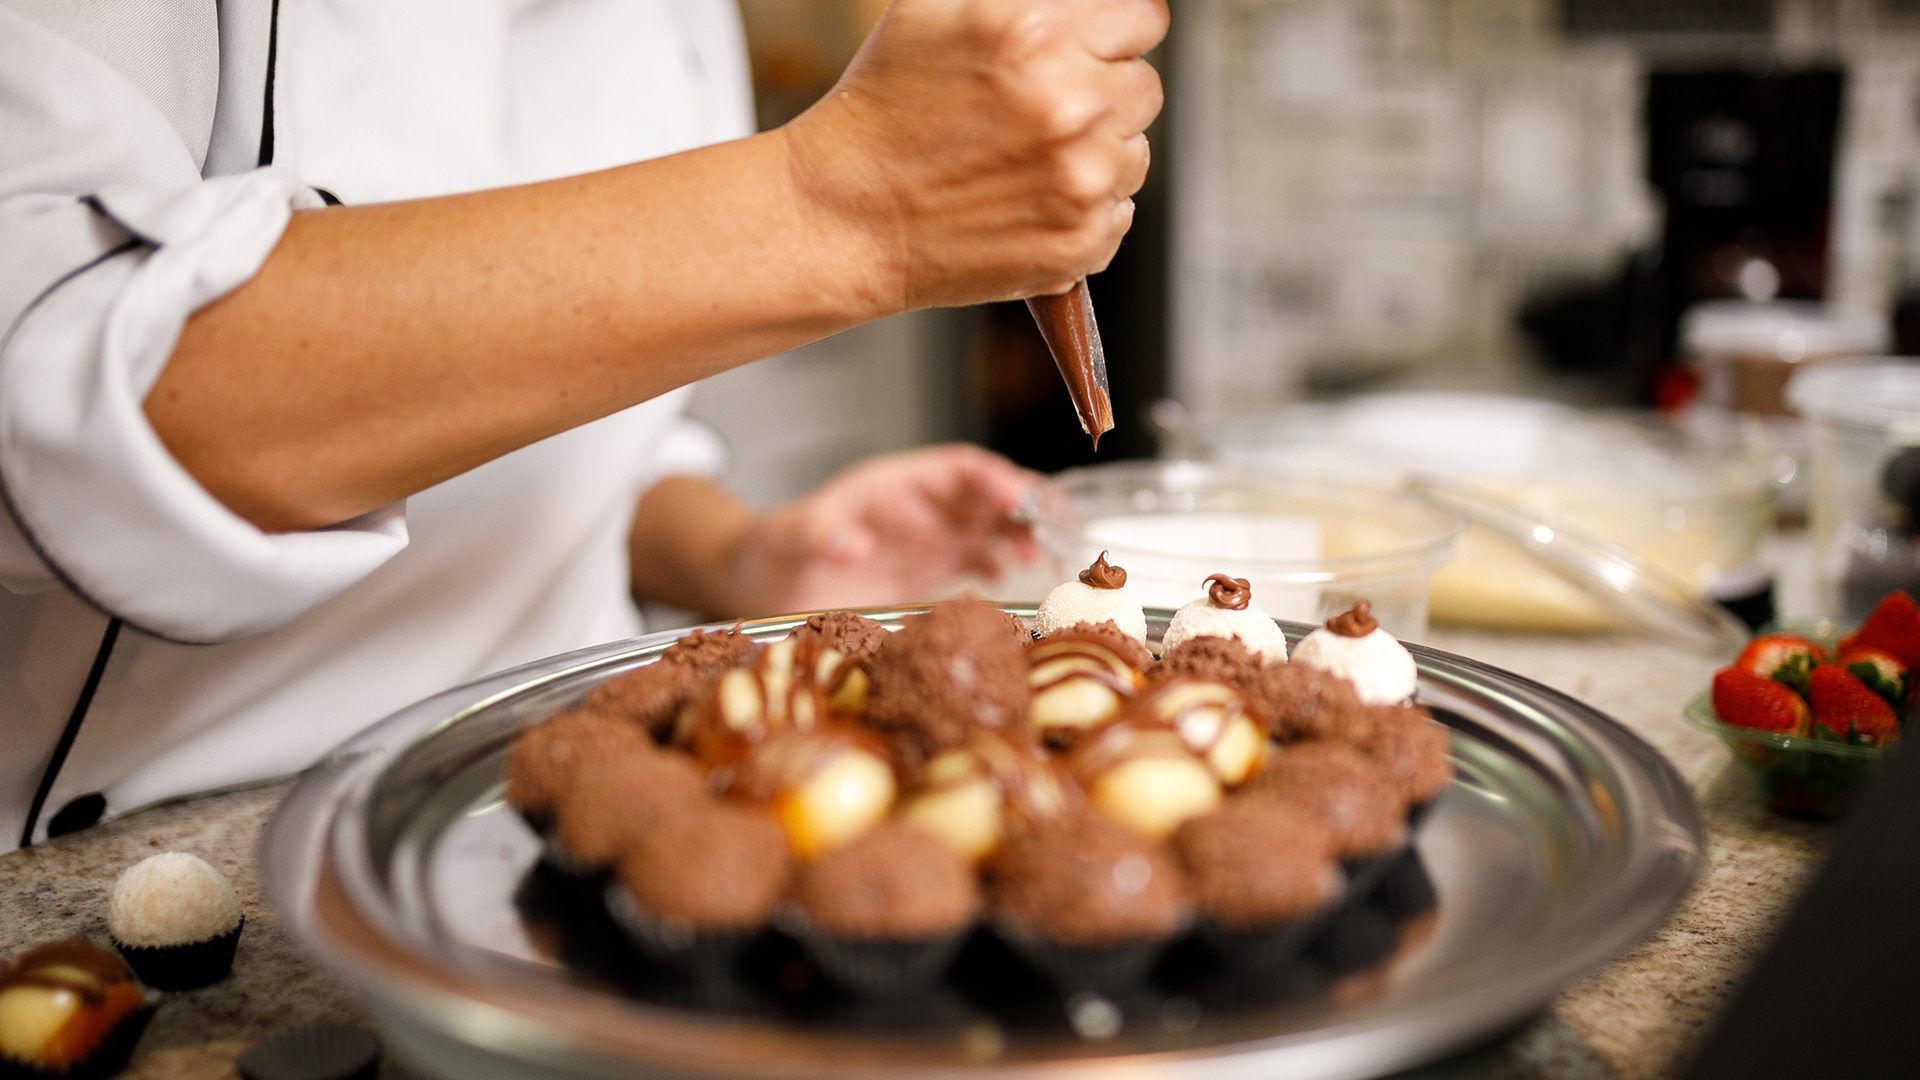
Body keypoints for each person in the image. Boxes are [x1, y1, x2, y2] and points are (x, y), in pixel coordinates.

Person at [0, 0, 1168, 849]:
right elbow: (55, 389)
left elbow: (553, 428)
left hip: (552, 800)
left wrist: (740, 554)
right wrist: (846, 208)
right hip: (172, 857)